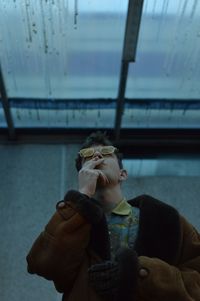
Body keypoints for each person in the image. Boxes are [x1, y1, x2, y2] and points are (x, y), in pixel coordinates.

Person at [26, 131, 200, 301]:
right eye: (88, 156)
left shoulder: (165, 219)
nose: (97, 157)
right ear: (82, 174)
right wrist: (82, 196)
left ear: (122, 174)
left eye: (106, 153)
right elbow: (44, 266)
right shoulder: (73, 220)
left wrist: (139, 273)